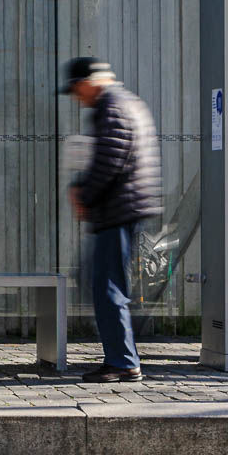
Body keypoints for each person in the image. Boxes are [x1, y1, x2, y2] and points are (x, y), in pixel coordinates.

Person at [62, 57, 163, 383]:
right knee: (104, 284)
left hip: (118, 211)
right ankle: (122, 358)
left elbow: (111, 160)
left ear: (88, 82)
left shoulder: (112, 106)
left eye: (76, 90)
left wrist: (84, 194)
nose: (77, 98)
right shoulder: (123, 103)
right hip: (123, 209)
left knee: (108, 288)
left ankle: (123, 362)